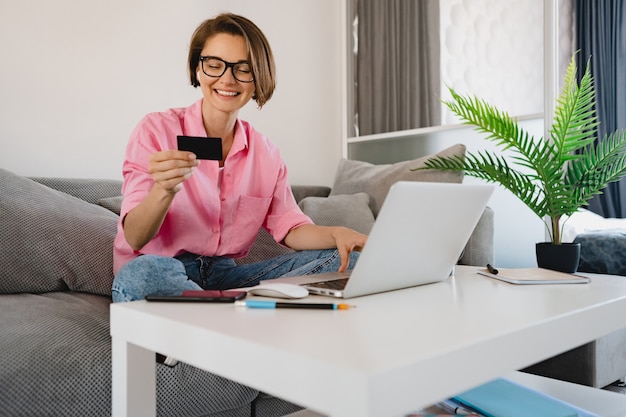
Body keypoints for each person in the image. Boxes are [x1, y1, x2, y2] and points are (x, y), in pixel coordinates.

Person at [111, 12, 367, 304]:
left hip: (226, 278)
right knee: (144, 273)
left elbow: (291, 228)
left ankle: (222, 318)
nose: (227, 79)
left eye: (242, 69)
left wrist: (339, 234)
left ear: (258, 79)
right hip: (161, 268)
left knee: (350, 262)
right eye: (214, 65)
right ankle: (237, 320)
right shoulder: (156, 130)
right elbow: (134, 237)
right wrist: (163, 191)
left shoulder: (266, 153)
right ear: (197, 70)